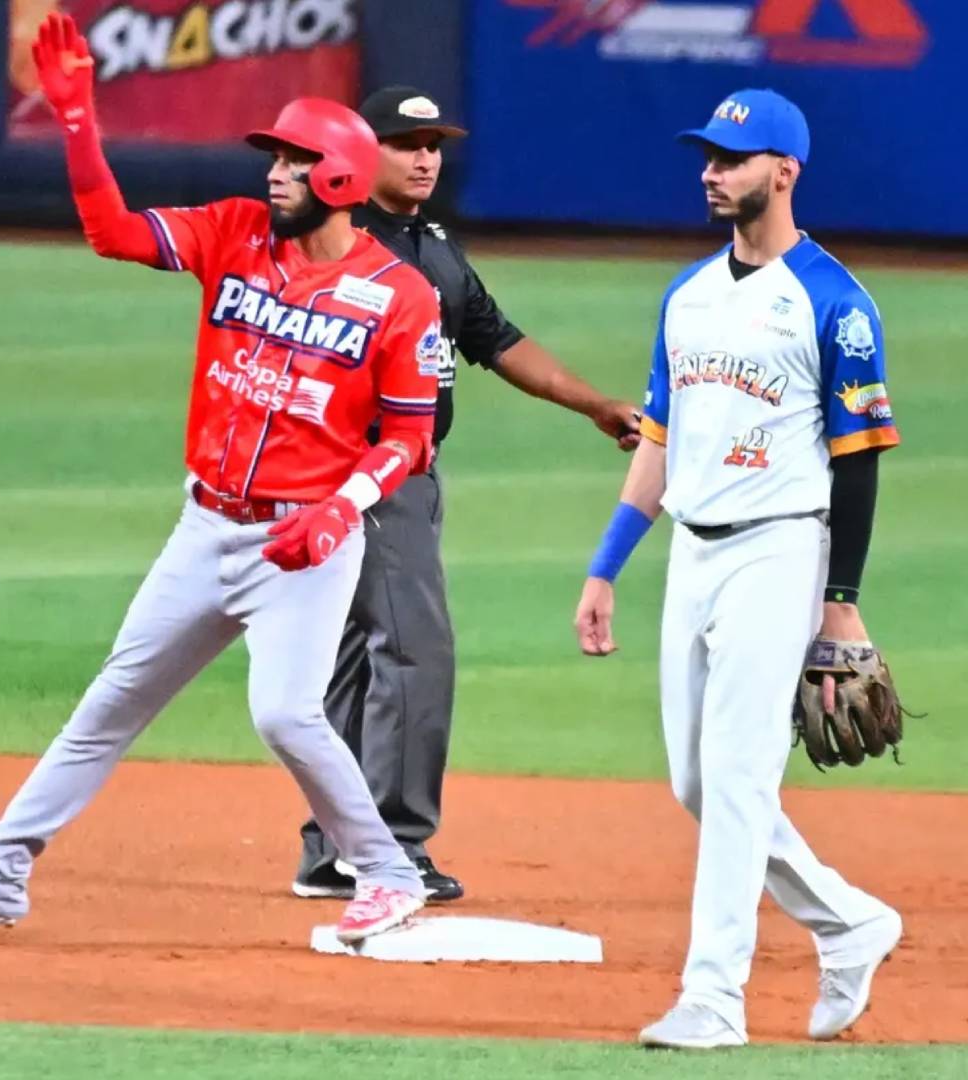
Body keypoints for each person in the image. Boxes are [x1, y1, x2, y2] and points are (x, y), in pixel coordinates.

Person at [0, 12, 443, 947]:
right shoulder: (234, 233)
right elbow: (112, 232)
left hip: (304, 543)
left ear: (340, 180)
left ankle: (389, 874)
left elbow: (410, 439)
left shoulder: (401, 296)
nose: (274, 173)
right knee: (108, 705)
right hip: (207, 527)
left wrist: (340, 508)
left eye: (294, 160)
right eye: (275, 158)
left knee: (285, 715)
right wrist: (78, 121)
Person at [572, 89, 904, 1048]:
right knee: (698, 782)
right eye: (709, 157)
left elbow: (859, 460)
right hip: (693, 550)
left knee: (739, 776)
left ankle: (714, 999)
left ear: (785, 171)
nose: (712, 173)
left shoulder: (835, 303)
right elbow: (660, 437)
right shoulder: (687, 296)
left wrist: (841, 603)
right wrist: (606, 565)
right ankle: (849, 923)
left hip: (781, 549)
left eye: (732, 158)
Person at [292, 86, 643, 905]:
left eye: (434, 145)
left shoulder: (433, 243)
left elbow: (496, 338)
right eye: (405, 143)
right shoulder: (338, 242)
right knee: (416, 650)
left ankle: (334, 848)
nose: (424, 158)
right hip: (366, 470)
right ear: (361, 153)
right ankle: (392, 845)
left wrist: (594, 405)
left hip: (402, 468)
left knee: (359, 660)